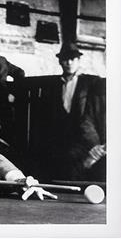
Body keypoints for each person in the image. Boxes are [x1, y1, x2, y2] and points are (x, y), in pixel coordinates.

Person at [38, 43, 106, 182]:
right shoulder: (55, 85)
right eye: (65, 59)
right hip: (63, 138)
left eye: (73, 59)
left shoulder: (90, 82)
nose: (69, 63)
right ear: (60, 62)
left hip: (85, 138)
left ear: (78, 61)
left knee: (73, 159)